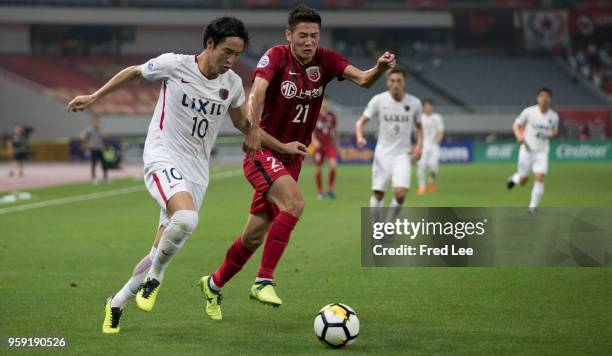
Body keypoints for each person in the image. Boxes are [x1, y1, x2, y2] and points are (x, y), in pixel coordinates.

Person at [198, 4, 396, 320]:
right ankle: (263, 279)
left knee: (253, 236)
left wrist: (380, 69)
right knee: (295, 204)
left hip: (291, 159)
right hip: (262, 151)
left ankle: (213, 283)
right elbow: (257, 92)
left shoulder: (326, 60)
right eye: (302, 35)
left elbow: (363, 79)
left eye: (314, 35)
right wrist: (251, 128)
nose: (308, 41)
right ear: (288, 34)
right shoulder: (276, 56)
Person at [67, 17, 263, 334]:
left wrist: (270, 139)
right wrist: (94, 97)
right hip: (163, 155)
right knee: (186, 219)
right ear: (210, 43)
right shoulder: (175, 65)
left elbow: (245, 125)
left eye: (237, 55)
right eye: (227, 51)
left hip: (197, 172)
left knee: (160, 246)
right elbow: (134, 72)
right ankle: (156, 277)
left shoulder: (231, 85)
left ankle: (115, 303)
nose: (231, 60)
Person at [355, 66, 423, 223]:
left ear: (404, 82)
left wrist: (419, 145)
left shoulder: (415, 103)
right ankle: (377, 227)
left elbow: (419, 128)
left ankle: (388, 224)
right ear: (387, 82)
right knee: (378, 193)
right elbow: (360, 122)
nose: (396, 84)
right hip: (383, 154)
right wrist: (360, 137)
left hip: (403, 155)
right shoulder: (379, 100)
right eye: (392, 81)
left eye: (399, 80)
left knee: (400, 194)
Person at [507, 88, 559, 213]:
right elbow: (516, 125)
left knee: (540, 177)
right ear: (537, 98)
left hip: (542, 151)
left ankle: (533, 207)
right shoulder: (529, 112)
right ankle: (514, 179)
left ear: (550, 99)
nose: (544, 99)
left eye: (546, 97)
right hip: (527, 150)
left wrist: (552, 134)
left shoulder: (554, 116)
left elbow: (554, 132)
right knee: (523, 180)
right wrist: (520, 137)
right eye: (541, 96)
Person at [312, 96, 338, 200]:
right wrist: (314, 141)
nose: (324, 104)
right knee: (318, 168)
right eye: (322, 102)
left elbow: (334, 130)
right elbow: (311, 130)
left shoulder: (331, 115)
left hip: (329, 144)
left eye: (325, 102)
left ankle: (330, 188)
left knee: (333, 165)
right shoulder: (315, 115)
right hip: (319, 145)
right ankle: (320, 191)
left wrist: (336, 143)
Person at [416, 99, 444, 195]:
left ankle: (431, 180)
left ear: (432, 107)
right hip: (423, 146)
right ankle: (422, 187)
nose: (428, 108)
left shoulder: (437, 117)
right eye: (426, 106)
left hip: (434, 145)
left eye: (429, 106)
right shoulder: (420, 117)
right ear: (423, 108)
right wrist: (419, 144)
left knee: (433, 166)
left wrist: (436, 141)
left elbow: (440, 131)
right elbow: (418, 131)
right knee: (421, 166)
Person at [81, 115, 109, 183]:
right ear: (92, 122)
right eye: (94, 121)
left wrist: (100, 129)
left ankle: (105, 177)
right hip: (93, 149)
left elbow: (105, 136)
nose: (96, 123)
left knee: (104, 163)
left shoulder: (100, 129)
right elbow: (82, 136)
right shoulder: (89, 129)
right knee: (94, 163)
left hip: (101, 148)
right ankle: (93, 177)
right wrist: (87, 144)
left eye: (97, 121)